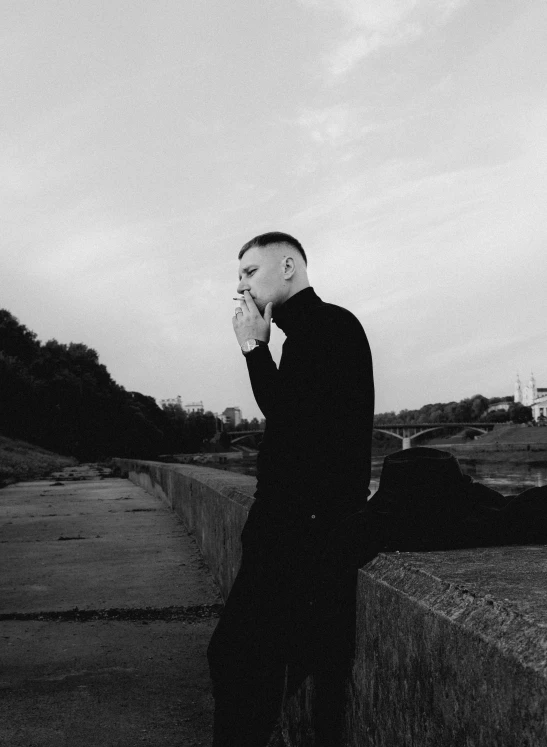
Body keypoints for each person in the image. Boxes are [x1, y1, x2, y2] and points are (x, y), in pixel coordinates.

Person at [207, 232, 375, 747]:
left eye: (249, 273)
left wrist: (255, 348)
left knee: (236, 659)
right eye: (237, 277)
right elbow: (292, 420)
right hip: (295, 528)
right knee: (268, 667)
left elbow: (291, 419)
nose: (241, 286)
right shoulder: (307, 333)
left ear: (287, 267)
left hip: (304, 532)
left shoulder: (329, 327)